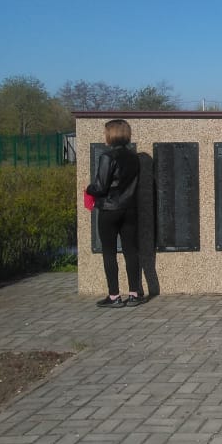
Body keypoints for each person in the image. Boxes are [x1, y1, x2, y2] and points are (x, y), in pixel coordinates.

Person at [86, 119, 144, 308]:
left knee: (109, 253)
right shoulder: (134, 157)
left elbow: (100, 187)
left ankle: (114, 296)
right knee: (131, 251)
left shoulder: (107, 157)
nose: (104, 136)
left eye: (106, 132)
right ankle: (135, 294)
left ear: (111, 134)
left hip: (110, 209)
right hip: (130, 209)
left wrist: (89, 189)